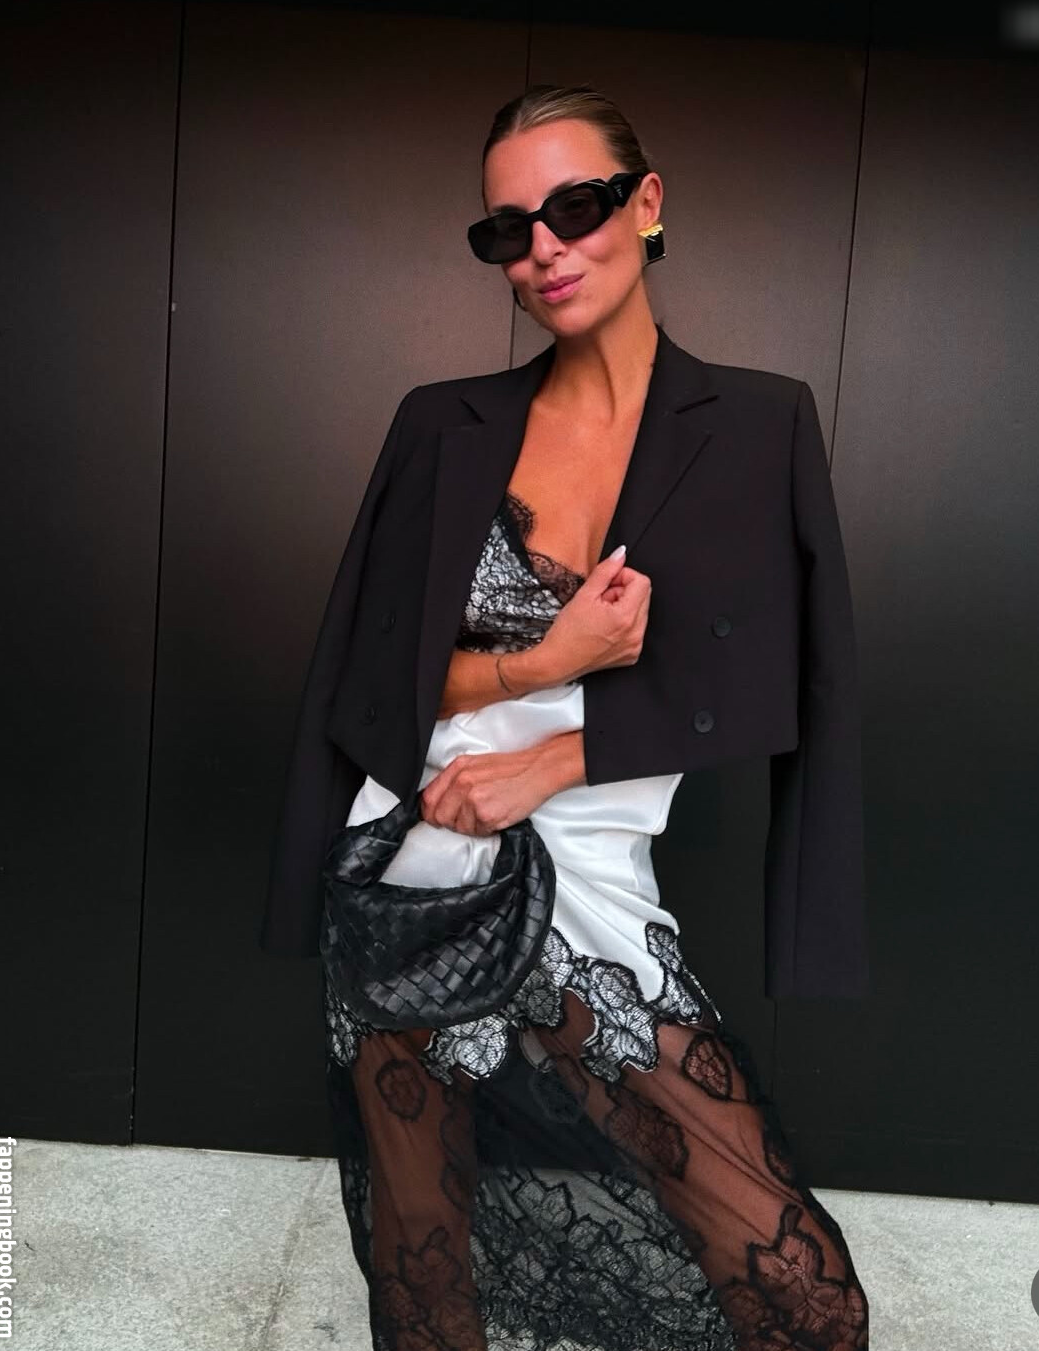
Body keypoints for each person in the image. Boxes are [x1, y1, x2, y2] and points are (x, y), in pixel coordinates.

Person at [266, 83, 870, 1350]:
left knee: (805, 1299)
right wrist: (549, 657)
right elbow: (369, 671)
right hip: (416, 852)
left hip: (588, 859)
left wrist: (557, 760)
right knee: (423, 1267)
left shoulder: (759, 423)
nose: (544, 248)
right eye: (508, 229)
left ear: (645, 205)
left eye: (576, 208)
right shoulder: (443, 424)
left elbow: (777, 678)